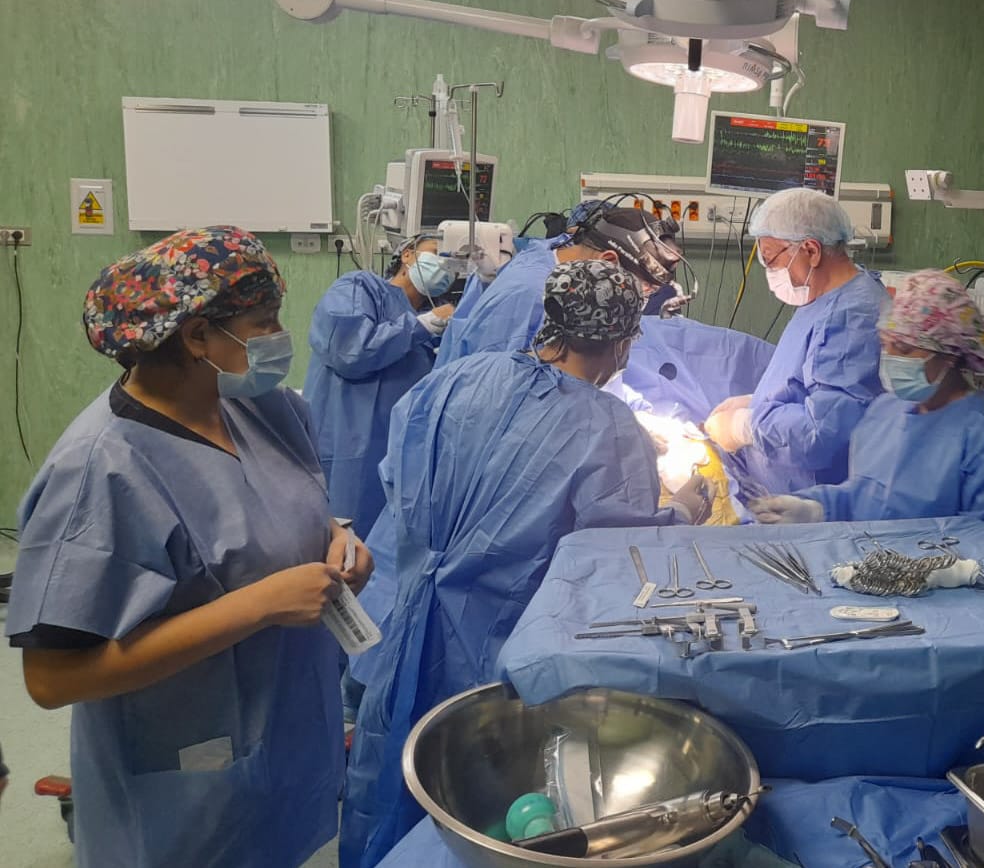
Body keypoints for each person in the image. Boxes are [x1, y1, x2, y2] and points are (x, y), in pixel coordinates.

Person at [4, 227, 373, 868]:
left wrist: (335, 536)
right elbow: (52, 678)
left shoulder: (263, 408)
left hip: (284, 724)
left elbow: (279, 504)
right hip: (188, 774)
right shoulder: (101, 470)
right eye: (264, 322)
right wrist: (258, 605)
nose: (279, 335)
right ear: (198, 336)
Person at [341, 260, 710, 868]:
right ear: (622, 342)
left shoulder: (456, 378)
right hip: (497, 651)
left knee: (390, 771)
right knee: (478, 807)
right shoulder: (607, 425)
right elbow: (616, 551)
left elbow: (396, 477)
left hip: (402, 623)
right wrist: (686, 509)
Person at [751, 271, 984, 567]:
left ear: (948, 356)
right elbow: (864, 499)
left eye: (905, 349)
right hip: (874, 576)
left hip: (954, 593)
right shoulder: (885, 411)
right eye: (886, 343)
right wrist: (816, 509)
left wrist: (930, 573)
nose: (890, 356)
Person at [705, 188, 886, 495]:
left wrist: (746, 426)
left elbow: (822, 433)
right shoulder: (824, 297)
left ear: (811, 250)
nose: (770, 271)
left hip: (816, 504)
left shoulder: (850, 317)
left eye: (770, 258)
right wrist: (757, 401)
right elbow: (813, 384)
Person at [302, 233, 453, 537]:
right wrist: (422, 326)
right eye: (436, 251)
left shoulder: (441, 323)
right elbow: (348, 351)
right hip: (347, 450)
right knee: (341, 542)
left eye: (451, 260)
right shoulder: (360, 287)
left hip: (401, 457)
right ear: (407, 254)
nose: (443, 264)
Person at [435, 204, 685, 366]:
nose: (643, 299)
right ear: (608, 262)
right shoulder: (534, 298)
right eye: (644, 289)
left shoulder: (560, 250)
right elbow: (500, 395)